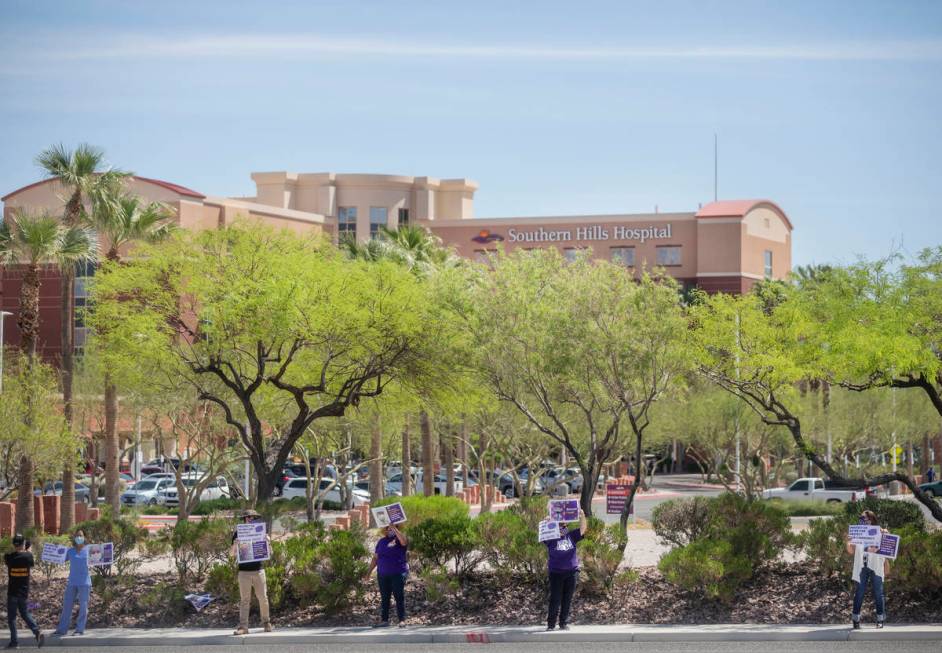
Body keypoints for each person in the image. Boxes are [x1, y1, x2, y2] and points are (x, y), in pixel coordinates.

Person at [544, 508, 588, 631]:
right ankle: (551, 624)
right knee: (555, 599)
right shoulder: (550, 536)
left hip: (571, 572)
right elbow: (543, 534)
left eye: (564, 523)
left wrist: (582, 516)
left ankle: (563, 623)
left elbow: (583, 529)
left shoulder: (571, 535)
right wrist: (546, 522)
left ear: (566, 524)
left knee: (567, 599)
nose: (562, 525)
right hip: (556, 572)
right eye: (560, 523)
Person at [845, 510, 889, 629]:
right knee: (859, 593)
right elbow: (851, 551)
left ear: (872, 520)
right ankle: (856, 619)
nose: (864, 520)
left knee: (879, 593)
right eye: (862, 518)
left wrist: (885, 534)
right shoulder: (857, 533)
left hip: (876, 566)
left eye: (866, 518)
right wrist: (847, 541)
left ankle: (880, 620)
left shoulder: (880, 532)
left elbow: (887, 549)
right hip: (862, 566)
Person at [231, 510, 272, 635]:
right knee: (245, 600)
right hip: (244, 572)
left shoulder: (261, 532)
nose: (250, 519)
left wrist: (268, 542)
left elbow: (270, 553)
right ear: (244, 519)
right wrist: (235, 545)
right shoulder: (238, 534)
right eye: (248, 517)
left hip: (258, 570)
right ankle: (243, 627)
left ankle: (266, 622)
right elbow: (231, 554)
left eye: (253, 517)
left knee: (263, 597)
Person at [364, 523, 408, 628]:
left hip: (397, 573)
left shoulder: (400, 539)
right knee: (385, 597)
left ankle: (402, 620)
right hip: (383, 574)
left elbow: (404, 542)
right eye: (388, 528)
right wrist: (368, 573)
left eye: (393, 528)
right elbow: (375, 558)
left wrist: (395, 529)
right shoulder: (381, 541)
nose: (390, 530)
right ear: (385, 530)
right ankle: (384, 620)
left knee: (399, 596)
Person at [5, 534, 44, 649]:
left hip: (12, 592)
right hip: (23, 592)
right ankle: (36, 631)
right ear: (23, 544)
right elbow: (31, 562)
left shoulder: (9, 557)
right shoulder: (28, 557)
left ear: (14, 544)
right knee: (25, 613)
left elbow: (9, 557)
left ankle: (14, 642)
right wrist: (27, 550)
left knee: (12, 618)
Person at [54, 530, 91, 636]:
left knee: (83, 607)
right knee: (67, 606)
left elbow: (100, 558)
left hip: (84, 583)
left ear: (84, 537)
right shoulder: (70, 551)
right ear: (74, 538)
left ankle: (79, 630)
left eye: (81, 535)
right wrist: (55, 550)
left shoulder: (88, 550)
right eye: (77, 536)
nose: (79, 537)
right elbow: (59, 558)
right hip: (72, 582)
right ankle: (62, 630)